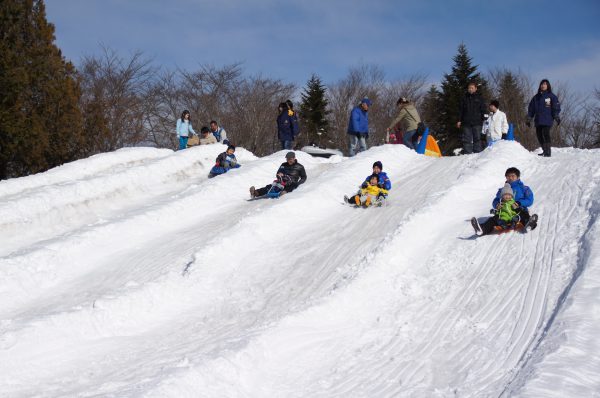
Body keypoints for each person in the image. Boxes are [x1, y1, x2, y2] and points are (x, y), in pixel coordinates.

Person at [471, 167, 537, 235]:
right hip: (504, 212)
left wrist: (519, 203)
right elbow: (496, 200)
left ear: (518, 177)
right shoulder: (502, 190)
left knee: (524, 215)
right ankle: (482, 229)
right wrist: (497, 204)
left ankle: (529, 224)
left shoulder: (524, 188)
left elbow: (530, 200)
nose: (510, 178)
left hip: (518, 210)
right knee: (493, 220)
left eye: (512, 176)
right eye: (508, 176)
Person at [527, 79, 561, 157]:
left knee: (545, 133)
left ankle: (548, 151)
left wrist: (556, 116)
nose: (543, 85)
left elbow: (556, 107)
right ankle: (544, 150)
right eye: (542, 84)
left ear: (548, 85)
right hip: (538, 120)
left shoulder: (551, 96)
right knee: (539, 135)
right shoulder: (536, 97)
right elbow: (531, 109)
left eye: (545, 84)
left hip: (547, 119)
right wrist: (529, 118)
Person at [457, 82, 487, 154]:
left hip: (477, 122)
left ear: (476, 89)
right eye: (469, 88)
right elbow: (461, 110)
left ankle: (478, 153)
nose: (470, 89)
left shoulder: (480, 98)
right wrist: (459, 120)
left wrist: (485, 119)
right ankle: (467, 153)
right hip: (466, 122)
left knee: (478, 138)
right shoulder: (464, 98)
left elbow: (483, 109)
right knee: (467, 139)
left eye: (472, 88)